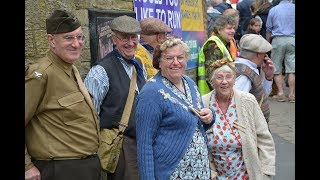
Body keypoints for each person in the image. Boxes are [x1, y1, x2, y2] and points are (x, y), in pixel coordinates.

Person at [25, 9, 101, 180]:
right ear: (51, 40)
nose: (76, 43)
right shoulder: (41, 74)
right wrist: (27, 166)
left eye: (80, 37)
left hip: (84, 167)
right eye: (68, 38)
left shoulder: (70, 68)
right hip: (60, 169)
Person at [135, 35, 215, 179]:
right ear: (159, 62)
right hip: (172, 174)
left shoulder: (190, 83)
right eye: (169, 58)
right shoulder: (151, 93)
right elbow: (144, 144)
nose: (176, 62)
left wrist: (210, 116)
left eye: (180, 57)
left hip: (199, 172)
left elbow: (196, 124)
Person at [84, 15, 146, 180]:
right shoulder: (100, 72)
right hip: (120, 145)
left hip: (142, 143)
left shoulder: (139, 65)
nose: (130, 42)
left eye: (134, 37)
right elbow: (90, 117)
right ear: (114, 40)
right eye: (124, 38)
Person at [202, 59, 276, 179]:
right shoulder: (203, 103)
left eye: (229, 77)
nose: (224, 81)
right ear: (212, 81)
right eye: (219, 77)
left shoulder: (247, 100)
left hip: (247, 175)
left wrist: (266, 172)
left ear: (234, 80)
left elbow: (265, 138)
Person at [234, 34, 274, 123]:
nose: (265, 56)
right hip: (249, 127)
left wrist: (268, 78)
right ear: (259, 55)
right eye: (264, 53)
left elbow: (260, 96)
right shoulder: (245, 74)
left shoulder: (247, 68)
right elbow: (236, 103)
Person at [198, 15, 237, 95]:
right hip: (212, 96)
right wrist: (221, 95)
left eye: (233, 28)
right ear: (219, 30)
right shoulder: (213, 45)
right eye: (229, 28)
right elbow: (211, 74)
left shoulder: (223, 43)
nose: (233, 31)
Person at [266, 0, 295, 102]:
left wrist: (267, 44)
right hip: (292, 39)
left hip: (277, 40)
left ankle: (281, 93)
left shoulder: (273, 10)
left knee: (276, 67)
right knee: (292, 69)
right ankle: (292, 94)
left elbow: (269, 28)